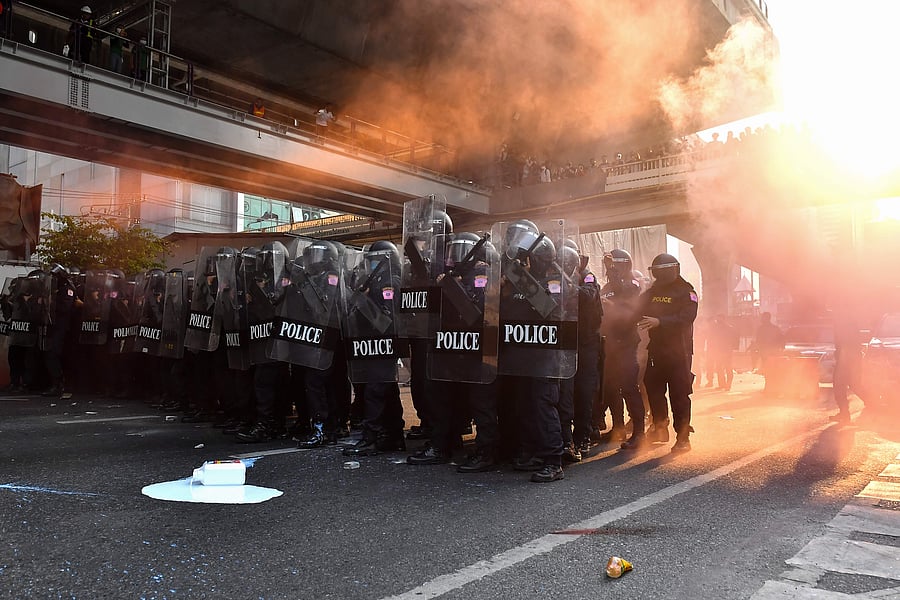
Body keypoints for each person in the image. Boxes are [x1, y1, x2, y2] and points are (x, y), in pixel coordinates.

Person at [637, 253, 699, 453]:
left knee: (679, 394)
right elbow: (637, 309)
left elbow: (687, 317)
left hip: (679, 352)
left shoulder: (686, 292)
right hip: (656, 350)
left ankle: (683, 437)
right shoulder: (653, 291)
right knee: (653, 388)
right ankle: (660, 427)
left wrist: (660, 322)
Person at [598, 249, 645, 451]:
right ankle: (617, 427)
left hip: (626, 342)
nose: (609, 268)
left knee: (628, 387)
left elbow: (630, 308)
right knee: (609, 387)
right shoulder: (606, 286)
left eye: (612, 264)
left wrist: (612, 306)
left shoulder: (632, 284)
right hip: (608, 343)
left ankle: (639, 433)